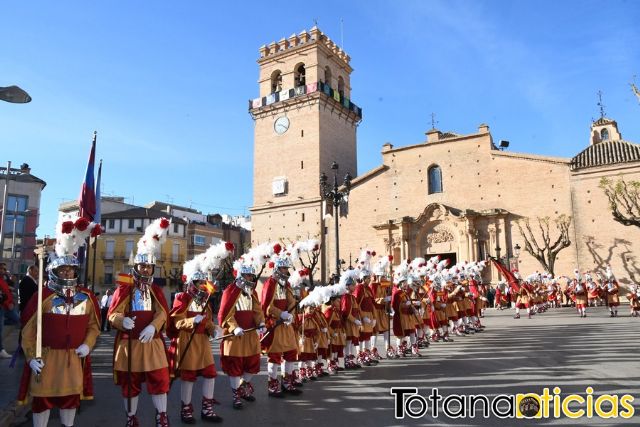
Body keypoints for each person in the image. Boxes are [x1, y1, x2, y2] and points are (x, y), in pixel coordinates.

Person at [17, 214, 102, 427]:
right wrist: (30, 357)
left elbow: (93, 326)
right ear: (53, 271)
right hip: (45, 358)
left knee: (70, 401)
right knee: (42, 402)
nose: (67, 272)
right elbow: (28, 332)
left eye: (71, 269)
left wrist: (87, 344)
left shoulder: (86, 297)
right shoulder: (42, 296)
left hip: (73, 359)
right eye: (63, 269)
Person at [108, 217, 171, 427]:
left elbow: (163, 313)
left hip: (152, 343)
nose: (145, 270)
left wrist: (154, 326)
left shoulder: (156, 290)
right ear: (136, 266)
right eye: (142, 266)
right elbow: (112, 313)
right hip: (130, 344)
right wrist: (121, 320)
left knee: (160, 380)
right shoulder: (125, 288)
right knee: (130, 383)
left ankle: (161, 415)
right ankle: (131, 417)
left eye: (149, 267)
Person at [168, 268, 221, 423]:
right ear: (191, 283)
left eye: (204, 282)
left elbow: (209, 321)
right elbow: (177, 322)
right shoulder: (182, 298)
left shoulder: (205, 300)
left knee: (210, 374)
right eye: (199, 282)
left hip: (203, 342)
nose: (202, 285)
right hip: (187, 339)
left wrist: (213, 330)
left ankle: (207, 409)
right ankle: (186, 410)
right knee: (188, 377)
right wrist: (192, 321)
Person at [219, 258, 265, 409]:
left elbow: (257, 310)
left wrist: (261, 323)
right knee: (235, 366)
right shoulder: (229, 291)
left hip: (250, 334)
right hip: (236, 336)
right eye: (247, 276)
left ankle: (242, 387)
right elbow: (226, 314)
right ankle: (236, 394)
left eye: (251, 276)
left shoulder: (253, 292)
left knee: (252, 363)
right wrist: (234, 327)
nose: (250, 279)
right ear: (240, 276)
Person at [260, 247, 301, 397]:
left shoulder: (286, 284)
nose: (286, 270)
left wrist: (290, 315)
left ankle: (287, 382)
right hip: (275, 324)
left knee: (291, 352)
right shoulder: (270, 284)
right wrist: (280, 314)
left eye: (286, 268)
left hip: (286, 324)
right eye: (283, 268)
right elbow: (267, 306)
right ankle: (272, 385)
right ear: (277, 268)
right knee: (275, 356)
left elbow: (291, 302)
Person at [0, 272, 20, 358]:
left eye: (4, 268)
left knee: (16, 319)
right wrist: (8, 303)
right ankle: (0, 350)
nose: (3, 270)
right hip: (2, 306)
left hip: (7, 306)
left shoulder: (3, 279)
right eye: (1, 268)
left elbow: (6, 292)